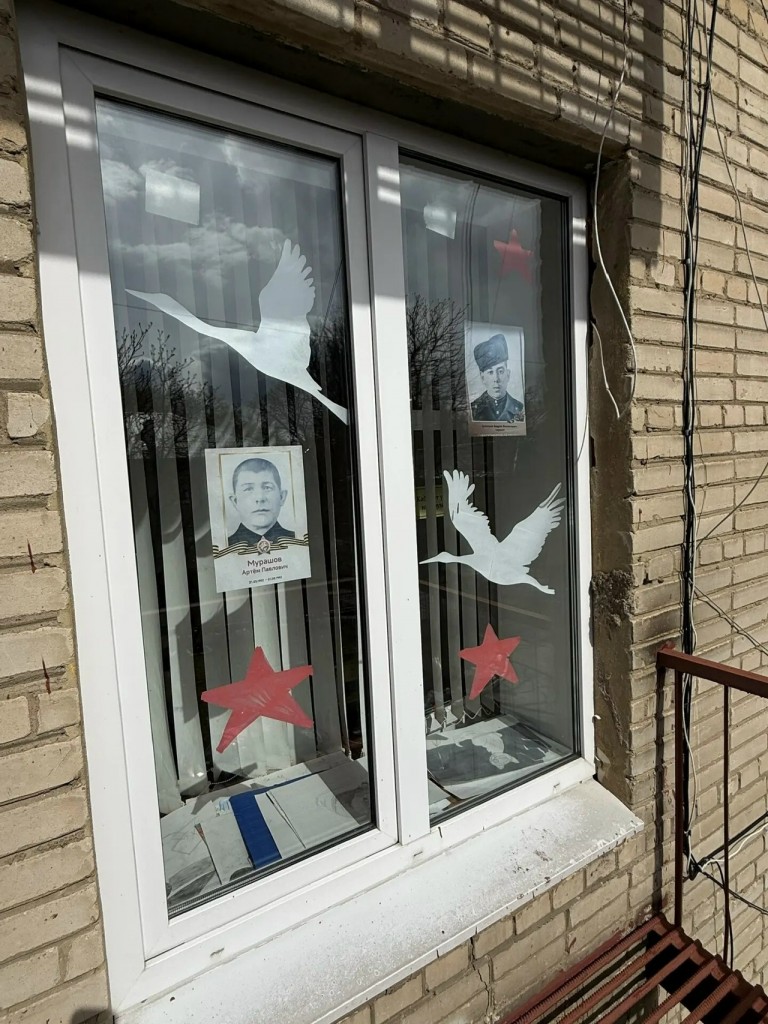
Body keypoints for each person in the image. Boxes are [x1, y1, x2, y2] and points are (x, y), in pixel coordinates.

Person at [227, 457, 295, 547]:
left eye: (267, 487)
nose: (260, 498)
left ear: (282, 497)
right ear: (235, 501)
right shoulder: (226, 547)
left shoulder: (299, 541)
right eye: (248, 489)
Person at [470, 333, 525, 423]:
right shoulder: (472, 409)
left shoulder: (520, 408)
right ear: (482, 377)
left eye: (500, 371)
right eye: (490, 372)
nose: (496, 379)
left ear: (508, 374)